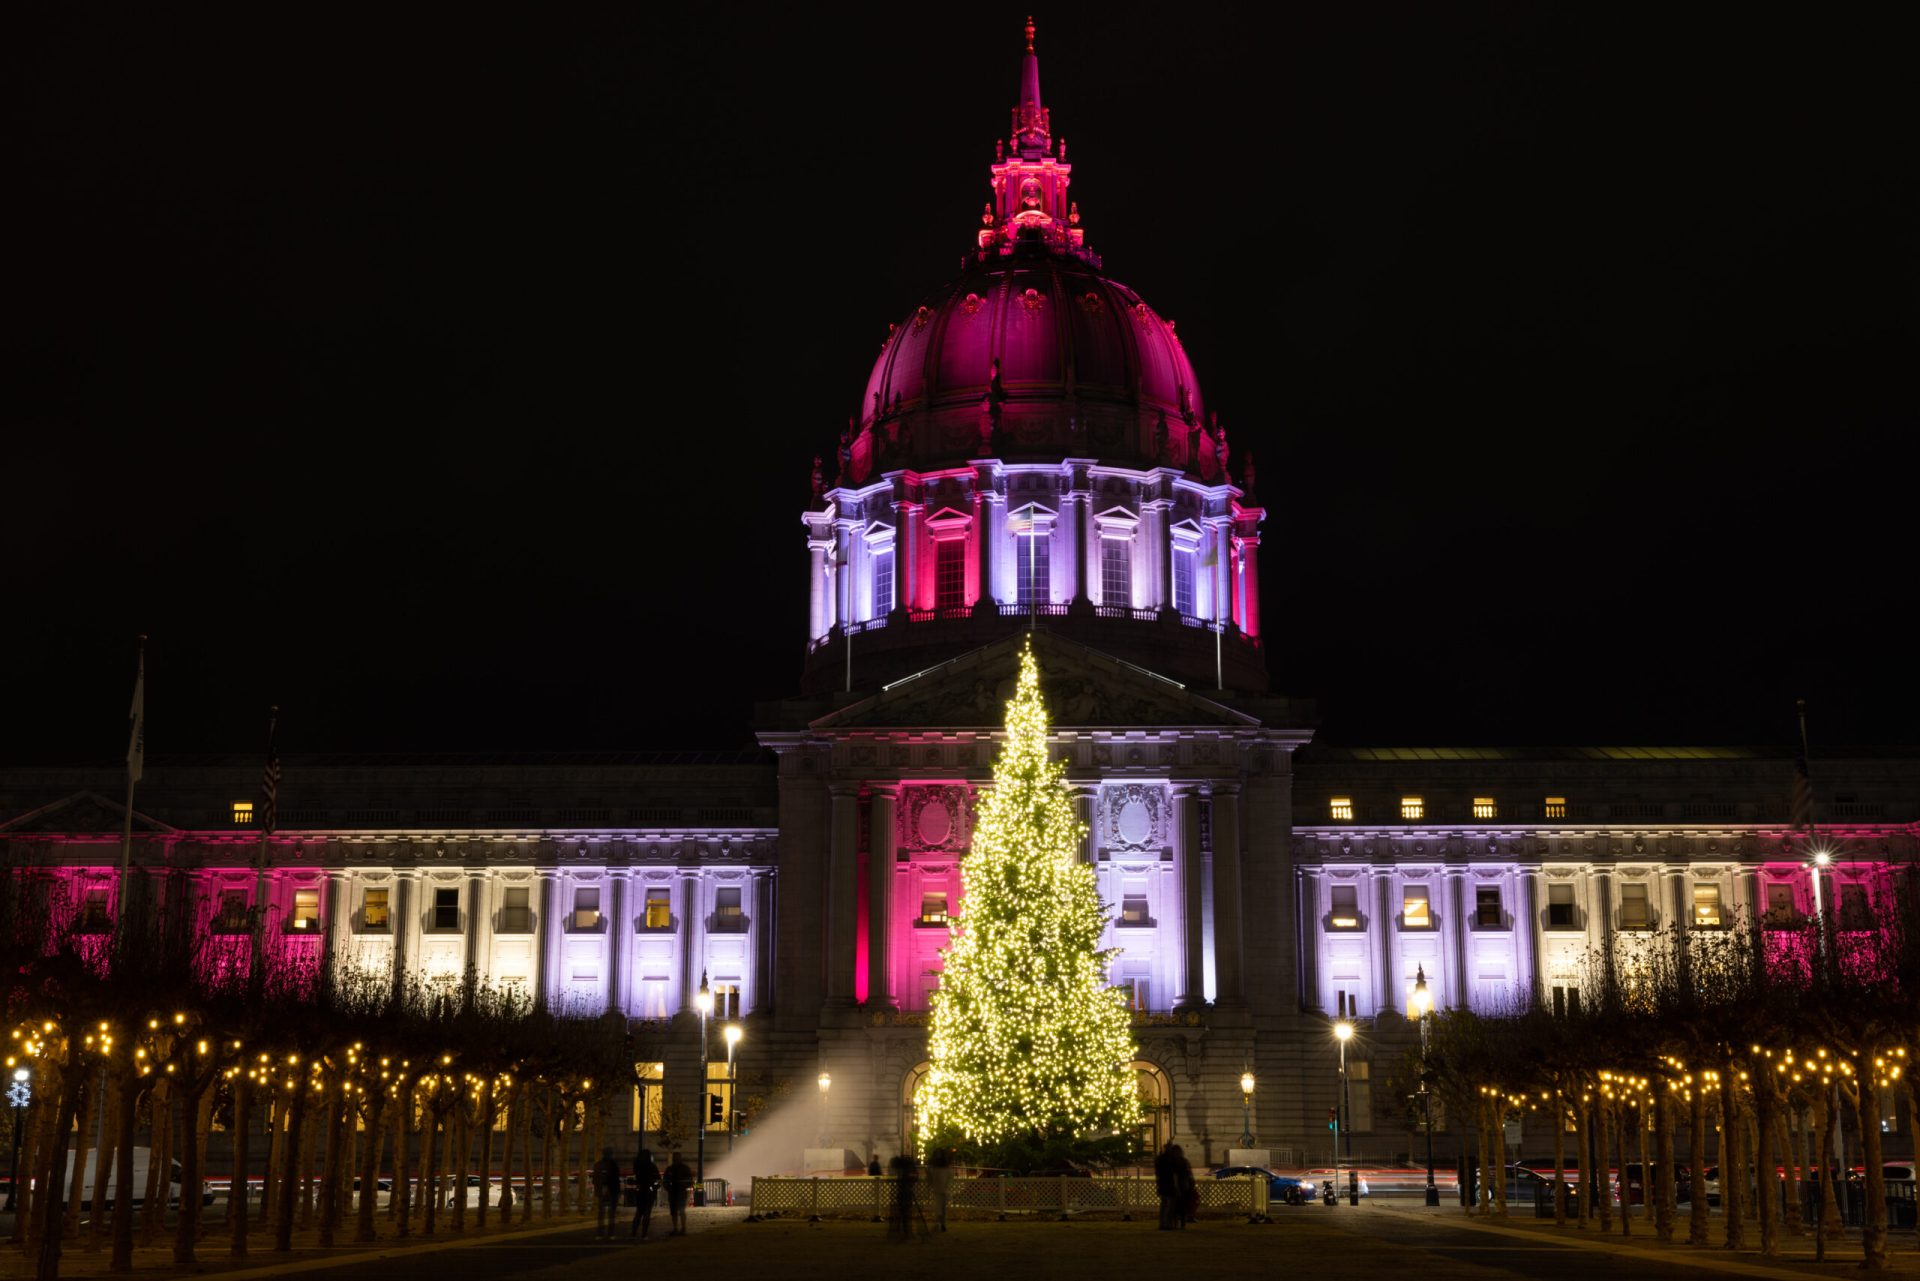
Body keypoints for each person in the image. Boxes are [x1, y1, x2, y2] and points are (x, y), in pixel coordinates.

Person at [629, 1147, 660, 1240]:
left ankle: (633, 1233)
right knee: (647, 1212)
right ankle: (644, 1234)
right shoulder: (651, 1166)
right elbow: (657, 1179)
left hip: (640, 1191)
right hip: (649, 1191)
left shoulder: (637, 1165)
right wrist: (654, 1187)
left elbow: (636, 1177)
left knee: (638, 1212)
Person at [592, 1147, 622, 1238]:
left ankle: (600, 1233)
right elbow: (616, 1179)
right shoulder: (614, 1164)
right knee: (611, 1214)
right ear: (611, 1154)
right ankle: (611, 1233)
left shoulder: (597, 1165)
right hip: (612, 1192)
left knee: (601, 1214)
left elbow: (594, 1180)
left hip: (601, 1192)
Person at [663, 1152, 694, 1237]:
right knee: (676, 1212)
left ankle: (680, 1228)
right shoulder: (680, 1168)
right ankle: (678, 1228)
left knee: (679, 1211)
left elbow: (689, 1180)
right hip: (677, 1192)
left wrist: (670, 1188)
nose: (676, 1160)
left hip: (679, 1192)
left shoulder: (673, 1169)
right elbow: (665, 1181)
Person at [926, 1146, 953, 1232]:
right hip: (938, 1188)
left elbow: (949, 1177)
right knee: (939, 1207)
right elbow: (930, 1175)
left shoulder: (944, 1167)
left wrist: (947, 1187)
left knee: (942, 1208)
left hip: (943, 1188)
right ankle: (940, 1223)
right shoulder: (936, 1166)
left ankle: (942, 1223)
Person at [1154, 1142, 1179, 1230]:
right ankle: (1165, 1224)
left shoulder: (1163, 1158)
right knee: (1167, 1205)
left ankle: (1166, 1223)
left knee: (1167, 1205)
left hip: (1166, 1183)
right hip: (1167, 1183)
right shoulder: (1167, 1159)